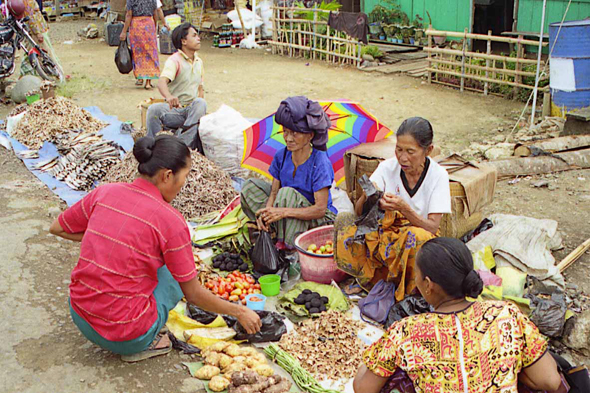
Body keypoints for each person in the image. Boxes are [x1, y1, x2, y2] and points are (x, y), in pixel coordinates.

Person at [49, 135, 261, 362]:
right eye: (185, 176)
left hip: (80, 315)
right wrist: (240, 311)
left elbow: (58, 227)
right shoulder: (170, 220)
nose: (183, 185)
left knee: (157, 263)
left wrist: (105, 237)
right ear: (167, 176)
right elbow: (193, 294)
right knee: (174, 274)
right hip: (125, 337)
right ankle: (147, 343)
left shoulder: (105, 192)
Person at [354, 237, 565, 393]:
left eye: (415, 275)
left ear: (428, 285)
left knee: (395, 377)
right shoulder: (506, 314)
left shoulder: (406, 331)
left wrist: (373, 355)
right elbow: (550, 381)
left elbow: (362, 388)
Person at [335, 117, 450, 300]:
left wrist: (404, 208)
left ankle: (406, 290)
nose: (403, 158)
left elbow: (432, 227)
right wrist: (368, 196)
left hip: (419, 238)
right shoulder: (387, 167)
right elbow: (359, 213)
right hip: (385, 232)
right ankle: (368, 280)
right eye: (399, 149)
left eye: (410, 151)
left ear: (427, 150)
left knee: (416, 237)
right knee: (346, 224)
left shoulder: (438, 176)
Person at [240, 96, 337, 249]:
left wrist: (283, 212)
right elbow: (273, 193)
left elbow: (320, 209)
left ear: (310, 135)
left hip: (317, 219)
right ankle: (275, 230)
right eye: (285, 132)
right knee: (250, 186)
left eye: (295, 133)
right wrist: (266, 214)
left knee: (286, 194)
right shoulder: (281, 156)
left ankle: (288, 246)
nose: (288, 138)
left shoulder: (320, 162)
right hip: (285, 208)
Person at [147, 23, 206, 151]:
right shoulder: (174, 61)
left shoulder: (199, 62)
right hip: (176, 111)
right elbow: (161, 82)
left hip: (192, 111)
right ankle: (154, 147)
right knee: (153, 110)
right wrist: (169, 96)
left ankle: (183, 146)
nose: (198, 38)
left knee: (200, 103)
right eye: (194, 35)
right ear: (184, 41)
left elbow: (200, 89)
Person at [119, 0, 160, 89]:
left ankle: (140, 76)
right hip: (149, 25)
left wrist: (124, 31)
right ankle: (148, 81)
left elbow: (129, 15)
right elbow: (155, 14)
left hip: (136, 27)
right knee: (150, 52)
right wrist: (154, 27)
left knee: (138, 53)